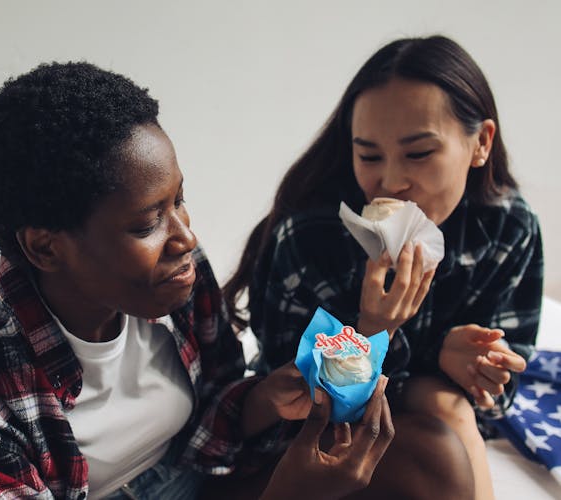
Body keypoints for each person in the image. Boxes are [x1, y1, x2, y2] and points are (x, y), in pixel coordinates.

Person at [0, 61, 394, 500]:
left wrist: (265, 398)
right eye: (147, 224)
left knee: (412, 460)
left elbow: (213, 409)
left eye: (178, 200)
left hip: (194, 476)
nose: (185, 237)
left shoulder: (176, 276)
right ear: (45, 247)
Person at [225, 35, 542, 500]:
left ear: (481, 143)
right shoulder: (311, 238)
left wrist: (476, 367)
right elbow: (292, 401)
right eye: (369, 156)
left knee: (450, 406)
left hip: (432, 419)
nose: (391, 182)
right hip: (313, 435)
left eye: (419, 153)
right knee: (443, 406)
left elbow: (500, 396)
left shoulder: (506, 230)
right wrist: (375, 331)